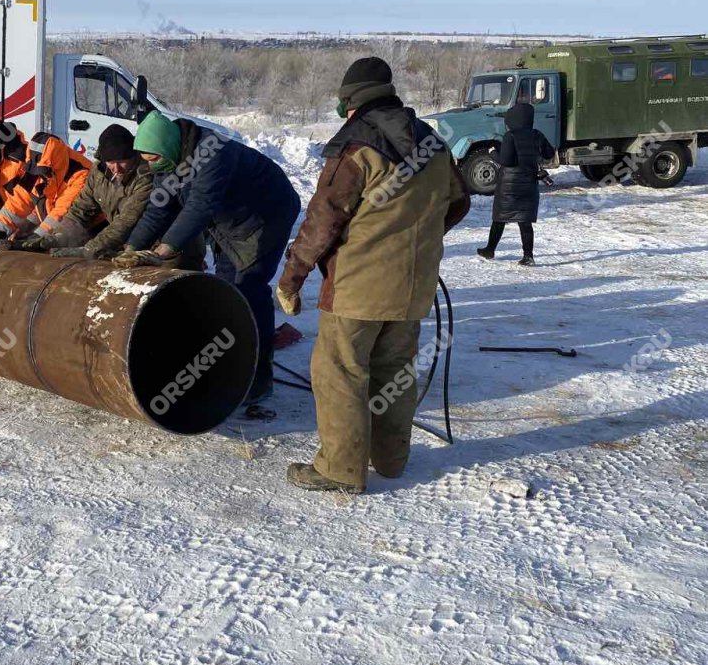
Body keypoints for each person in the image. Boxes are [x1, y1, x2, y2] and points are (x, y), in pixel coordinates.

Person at [277, 57, 470, 495]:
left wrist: (291, 278)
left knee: (340, 371)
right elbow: (458, 203)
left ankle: (340, 470)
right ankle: (391, 460)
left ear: (352, 102)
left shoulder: (356, 147)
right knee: (395, 373)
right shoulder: (432, 144)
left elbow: (322, 221)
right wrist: (416, 241)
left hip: (357, 288)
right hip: (413, 288)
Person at [116, 111, 299, 404]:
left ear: (165, 146)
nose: (151, 165)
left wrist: (161, 251)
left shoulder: (213, 152)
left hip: (266, 216)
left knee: (249, 290)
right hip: (229, 224)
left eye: (152, 159)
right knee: (225, 293)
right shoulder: (169, 158)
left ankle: (259, 378)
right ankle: (229, 365)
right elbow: (158, 209)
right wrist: (131, 248)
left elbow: (199, 207)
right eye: (147, 160)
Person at [13, 124, 154, 259]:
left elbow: (126, 221)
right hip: (118, 243)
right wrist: (56, 238)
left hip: (146, 246)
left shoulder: (144, 177)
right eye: (110, 162)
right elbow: (80, 210)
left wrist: (91, 248)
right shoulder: (98, 173)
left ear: (132, 156)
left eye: (122, 161)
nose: (116, 168)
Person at [476, 102, 553, 267]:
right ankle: (528, 256)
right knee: (525, 221)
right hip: (529, 185)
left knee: (499, 219)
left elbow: (506, 161)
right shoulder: (537, 135)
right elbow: (549, 153)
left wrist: (493, 153)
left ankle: (490, 250)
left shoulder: (510, 136)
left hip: (509, 186)